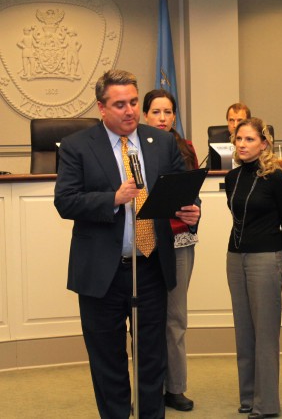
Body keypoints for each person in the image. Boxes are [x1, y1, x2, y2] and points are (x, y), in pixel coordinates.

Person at [54, 69, 200, 418]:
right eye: (120, 104)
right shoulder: (77, 146)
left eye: (134, 102)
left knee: (152, 359)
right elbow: (66, 201)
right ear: (102, 107)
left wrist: (193, 211)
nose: (130, 110)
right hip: (102, 272)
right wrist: (113, 198)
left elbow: (183, 190)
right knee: (109, 362)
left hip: (150, 267)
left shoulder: (162, 143)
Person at [224, 117, 282, 419]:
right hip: (235, 257)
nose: (242, 144)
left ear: (264, 143)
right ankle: (247, 397)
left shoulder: (276, 178)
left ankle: (266, 405)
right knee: (244, 331)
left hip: (267, 258)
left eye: (250, 139)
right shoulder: (233, 177)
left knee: (265, 334)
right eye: (239, 139)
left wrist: (281, 264)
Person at [142, 89, 198, 412]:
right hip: (147, 241)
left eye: (168, 112)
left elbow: (193, 192)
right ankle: (148, 386)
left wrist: (195, 211)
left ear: (174, 116)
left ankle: (174, 387)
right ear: (145, 115)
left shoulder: (184, 148)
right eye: (156, 112)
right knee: (147, 318)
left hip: (179, 241)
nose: (162, 118)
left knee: (175, 317)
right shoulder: (133, 147)